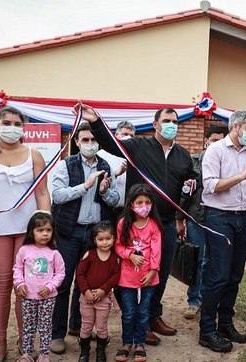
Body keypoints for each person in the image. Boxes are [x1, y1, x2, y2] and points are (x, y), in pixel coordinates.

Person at [77, 103, 197, 346]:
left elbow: (191, 178)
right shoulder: (138, 146)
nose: (172, 126)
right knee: (131, 274)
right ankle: (133, 320)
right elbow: (111, 143)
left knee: (160, 273)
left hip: (167, 224)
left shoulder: (183, 154)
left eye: (175, 122)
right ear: (155, 125)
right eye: (167, 121)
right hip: (136, 223)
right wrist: (95, 121)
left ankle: (152, 317)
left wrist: (191, 185)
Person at [0, 105, 51, 362]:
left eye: (17, 123)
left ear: (23, 128)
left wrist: (45, 223)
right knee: (3, 284)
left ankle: (25, 344)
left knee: (23, 286)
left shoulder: (34, 154)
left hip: (28, 230)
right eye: (7, 122)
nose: (12, 127)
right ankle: (0, 343)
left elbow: (42, 193)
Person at [199, 110, 246, 353]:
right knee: (218, 275)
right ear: (236, 126)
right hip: (219, 217)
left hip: (243, 217)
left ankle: (225, 324)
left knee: (235, 275)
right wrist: (241, 176)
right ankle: (207, 331)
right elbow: (209, 186)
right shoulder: (215, 150)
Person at [50, 121, 119, 353]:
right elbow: (57, 195)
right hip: (69, 232)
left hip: (94, 236)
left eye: (93, 140)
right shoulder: (66, 165)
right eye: (85, 140)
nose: (90, 144)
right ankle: (57, 334)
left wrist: (104, 191)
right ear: (77, 142)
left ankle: (78, 326)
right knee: (63, 282)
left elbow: (116, 199)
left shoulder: (106, 164)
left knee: (86, 283)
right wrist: (85, 186)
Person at [177, 125, 226, 319]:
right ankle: (194, 300)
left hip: (220, 219)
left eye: (221, 141)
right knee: (196, 260)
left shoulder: (227, 163)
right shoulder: (192, 161)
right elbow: (182, 192)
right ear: (206, 141)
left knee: (214, 262)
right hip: (196, 218)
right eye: (214, 140)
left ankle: (210, 299)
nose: (217, 144)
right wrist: (179, 219)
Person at [114, 184, 162, 362]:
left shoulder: (154, 225)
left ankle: (140, 344)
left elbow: (157, 250)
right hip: (127, 278)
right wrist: (129, 256)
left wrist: (152, 271)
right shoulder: (122, 224)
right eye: (140, 202)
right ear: (131, 204)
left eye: (148, 202)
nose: (144, 206)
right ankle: (127, 343)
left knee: (143, 312)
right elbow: (118, 246)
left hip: (149, 277)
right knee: (128, 312)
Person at [13, 211, 66, 362]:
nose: (45, 234)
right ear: (32, 231)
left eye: (48, 230)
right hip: (28, 297)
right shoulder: (24, 250)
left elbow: (61, 273)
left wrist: (50, 286)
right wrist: (20, 283)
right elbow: (17, 269)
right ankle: (27, 354)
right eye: (40, 230)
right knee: (28, 327)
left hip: (47, 298)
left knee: (45, 327)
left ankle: (44, 354)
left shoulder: (54, 253)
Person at [76, 221, 121, 362]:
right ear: (95, 240)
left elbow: (115, 277)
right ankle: (84, 351)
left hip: (103, 298)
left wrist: (103, 290)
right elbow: (80, 274)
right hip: (87, 298)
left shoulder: (115, 258)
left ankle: (100, 351)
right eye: (100, 239)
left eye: (108, 238)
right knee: (87, 325)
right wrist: (86, 291)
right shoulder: (89, 255)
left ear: (114, 238)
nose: (105, 242)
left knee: (101, 326)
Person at [97, 120, 135, 217]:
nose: (128, 138)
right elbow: (95, 179)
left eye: (132, 136)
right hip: (106, 209)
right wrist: (116, 174)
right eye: (125, 134)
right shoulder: (102, 154)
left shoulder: (135, 156)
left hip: (128, 211)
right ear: (116, 135)